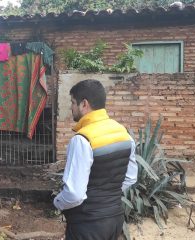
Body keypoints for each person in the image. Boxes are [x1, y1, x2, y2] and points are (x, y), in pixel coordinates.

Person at [53, 79, 138, 240]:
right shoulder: (123, 134)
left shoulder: (82, 139)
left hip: (87, 224)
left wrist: (58, 202)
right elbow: (131, 178)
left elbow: (74, 194)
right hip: (115, 220)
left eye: (72, 102)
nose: (71, 108)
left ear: (84, 104)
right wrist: (107, 199)